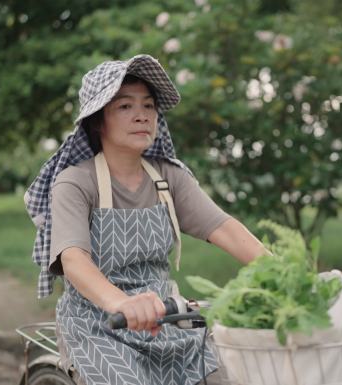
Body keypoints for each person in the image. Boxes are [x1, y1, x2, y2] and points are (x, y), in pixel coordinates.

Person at [24, 54, 267, 385]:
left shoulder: (169, 177)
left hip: (165, 318)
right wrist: (122, 303)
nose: (141, 116)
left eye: (149, 106)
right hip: (99, 328)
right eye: (125, 107)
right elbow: (74, 260)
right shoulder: (76, 181)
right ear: (98, 121)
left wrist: (283, 273)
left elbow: (224, 227)